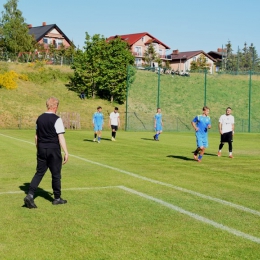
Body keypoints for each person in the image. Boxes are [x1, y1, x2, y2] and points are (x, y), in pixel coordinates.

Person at [24, 97, 69, 209]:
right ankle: (57, 198)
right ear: (55, 106)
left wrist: (38, 148)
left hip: (41, 148)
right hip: (53, 149)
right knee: (56, 175)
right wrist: (66, 152)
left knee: (39, 173)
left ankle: (30, 195)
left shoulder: (39, 118)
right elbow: (61, 137)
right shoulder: (57, 119)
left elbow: (36, 136)